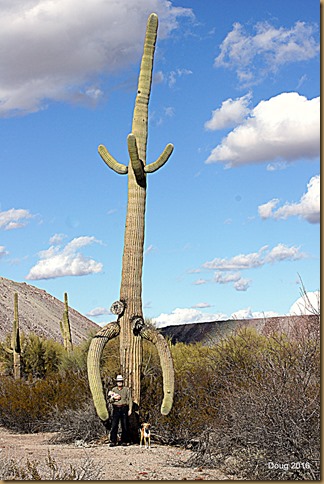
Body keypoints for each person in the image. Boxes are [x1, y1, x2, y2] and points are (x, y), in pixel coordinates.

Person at [108, 374, 132, 446]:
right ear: (116, 382)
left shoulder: (126, 390)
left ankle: (124, 441)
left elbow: (130, 400)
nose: (119, 382)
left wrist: (130, 409)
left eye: (121, 381)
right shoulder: (114, 390)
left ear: (122, 382)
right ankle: (113, 441)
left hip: (124, 408)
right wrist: (114, 398)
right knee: (114, 425)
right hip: (116, 408)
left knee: (124, 425)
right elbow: (110, 400)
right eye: (118, 381)